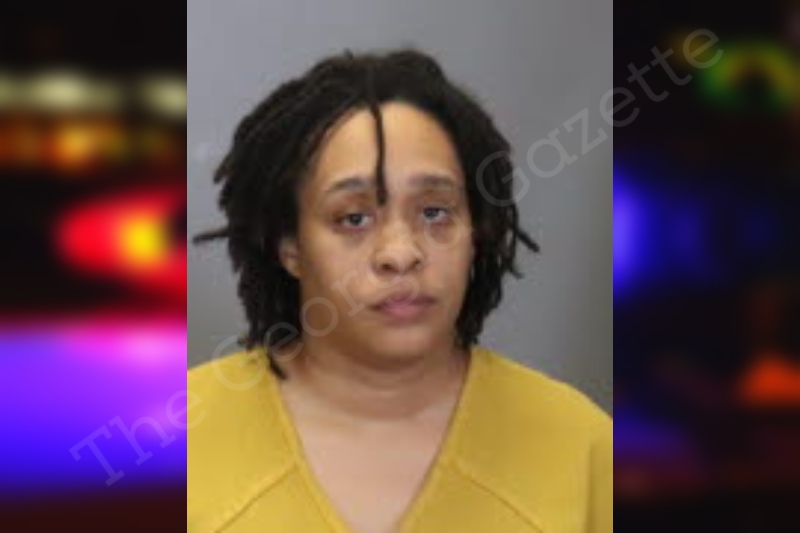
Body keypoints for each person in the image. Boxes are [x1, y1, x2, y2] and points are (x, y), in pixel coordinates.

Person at [188, 48, 612, 533]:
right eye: (353, 218)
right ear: (290, 247)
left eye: (435, 212)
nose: (401, 253)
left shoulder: (583, 448)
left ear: (477, 232)